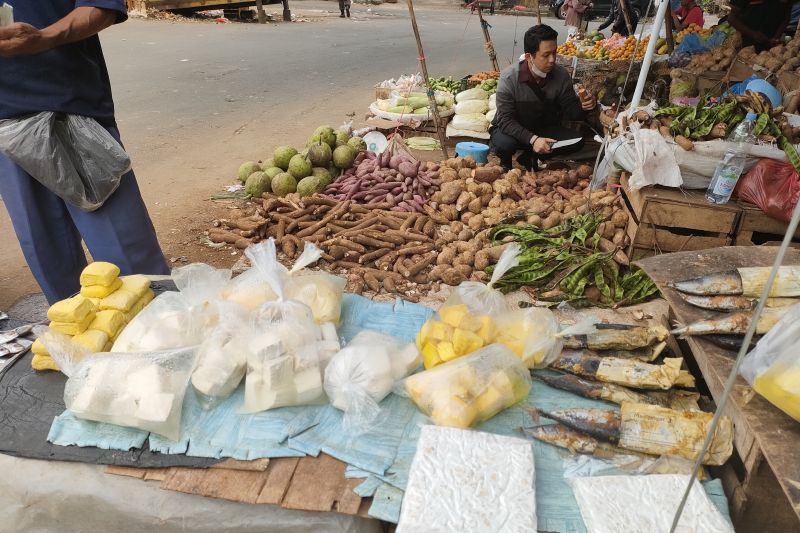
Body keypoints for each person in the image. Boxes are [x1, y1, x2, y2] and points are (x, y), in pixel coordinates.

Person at [0, 1, 169, 304]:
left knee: (134, 268)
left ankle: (170, 341)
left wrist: (43, 38)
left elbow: (100, 7)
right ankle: (81, 348)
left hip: (73, 111)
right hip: (4, 132)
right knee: (52, 263)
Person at [490, 24, 596, 172]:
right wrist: (533, 139)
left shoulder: (561, 75)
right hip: (512, 130)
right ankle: (505, 162)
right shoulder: (509, 78)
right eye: (546, 55)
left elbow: (572, 111)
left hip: (542, 129)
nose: (552, 60)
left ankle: (530, 156)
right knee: (504, 144)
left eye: (554, 53)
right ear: (529, 57)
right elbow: (505, 121)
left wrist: (584, 106)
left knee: (577, 141)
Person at [727, 0, 793, 51]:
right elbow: (732, 18)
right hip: (748, 45)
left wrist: (776, 37)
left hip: (773, 46)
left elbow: (786, 17)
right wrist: (753, 34)